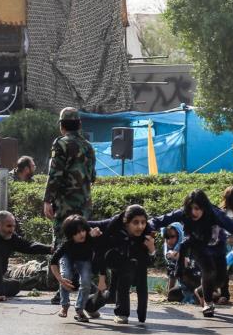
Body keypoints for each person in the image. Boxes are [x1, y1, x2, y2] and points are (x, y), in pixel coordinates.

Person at [150, 189, 233, 317]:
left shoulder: (216, 214)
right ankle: (208, 302)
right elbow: (159, 220)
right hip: (197, 246)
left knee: (220, 279)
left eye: (197, 209)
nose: (193, 213)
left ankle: (200, 291)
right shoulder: (183, 213)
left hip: (217, 246)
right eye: (191, 209)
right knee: (208, 270)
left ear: (204, 208)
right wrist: (148, 230)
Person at [42, 107, 96, 305]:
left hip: (64, 205)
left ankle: (62, 290)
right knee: (84, 243)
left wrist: (48, 199)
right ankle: (89, 289)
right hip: (84, 204)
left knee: (62, 245)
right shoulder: (89, 146)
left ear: (62, 125)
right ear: (79, 124)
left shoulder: (61, 144)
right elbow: (93, 176)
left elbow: (55, 175)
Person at [90, 205, 155, 324]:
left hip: (130, 261)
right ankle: (122, 313)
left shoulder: (147, 231)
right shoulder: (112, 225)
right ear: (126, 223)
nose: (140, 226)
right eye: (135, 222)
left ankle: (88, 304)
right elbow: (100, 249)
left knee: (111, 296)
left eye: (143, 222)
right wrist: (102, 278)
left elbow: (147, 263)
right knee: (127, 270)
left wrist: (152, 249)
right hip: (111, 257)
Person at [50, 215, 104, 323]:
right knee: (66, 277)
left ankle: (79, 309)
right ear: (71, 234)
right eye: (77, 232)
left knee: (86, 281)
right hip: (67, 257)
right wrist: (60, 279)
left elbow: (101, 254)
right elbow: (53, 262)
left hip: (84, 260)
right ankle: (64, 306)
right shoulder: (66, 244)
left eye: (83, 230)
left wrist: (97, 235)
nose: (82, 234)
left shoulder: (90, 238)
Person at [162, 223, 199, 304]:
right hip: (184, 286)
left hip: (196, 281)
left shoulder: (187, 246)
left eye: (172, 236)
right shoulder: (169, 252)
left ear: (179, 235)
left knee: (201, 293)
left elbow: (190, 264)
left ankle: (207, 294)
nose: (169, 240)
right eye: (167, 237)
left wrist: (177, 257)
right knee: (171, 295)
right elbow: (172, 273)